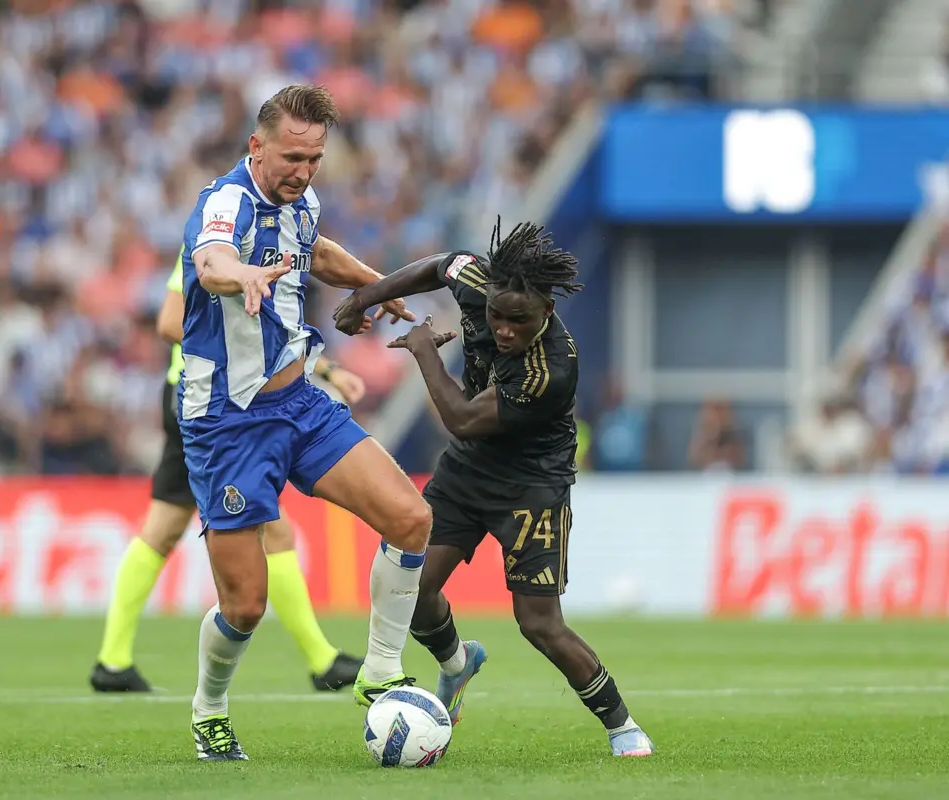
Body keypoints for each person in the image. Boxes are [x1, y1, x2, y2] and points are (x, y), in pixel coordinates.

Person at [333, 220, 656, 758]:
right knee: (413, 592)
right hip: (468, 473)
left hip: (532, 488)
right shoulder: (478, 281)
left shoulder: (550, 370)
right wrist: (364, 297)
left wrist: (424, 351)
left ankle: (621, 725)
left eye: (518, 321)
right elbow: (439, 265)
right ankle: (457, 664)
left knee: (538, 624)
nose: (503, 330)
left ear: (546, 311)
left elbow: (461, 419)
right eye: (496, 317)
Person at [178, 84, 431, 762]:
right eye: (292, 157)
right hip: (227, 423)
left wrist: (377, 285)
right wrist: (242, 277)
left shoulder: (303, 202)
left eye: (315, 158)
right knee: (245, 607)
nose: (304, 171)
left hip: (301, 404)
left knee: (411, 518)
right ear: (257, 146)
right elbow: (210, 262)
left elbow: (315, 252)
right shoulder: (224, 203)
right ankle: (209, 708)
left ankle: (381, 672)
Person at [89, 249, 366, 694]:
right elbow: (170, 322)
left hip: (211, 399)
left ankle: (112, 660)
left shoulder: (250, 244)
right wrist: (237, 354)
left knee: (164, 528)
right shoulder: (210, 242)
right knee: (272, 530)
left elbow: (270, 333)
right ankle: (322, 660)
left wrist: (327, 369)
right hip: (207, 402)